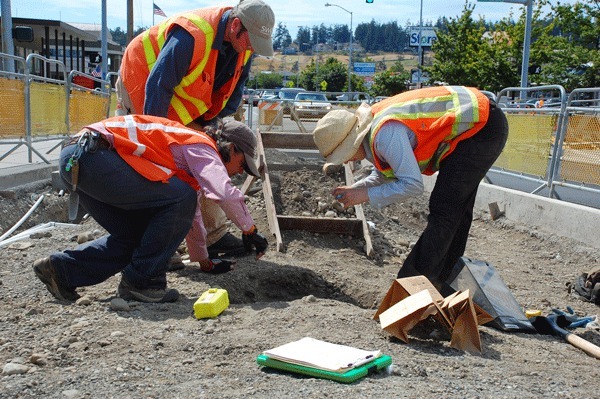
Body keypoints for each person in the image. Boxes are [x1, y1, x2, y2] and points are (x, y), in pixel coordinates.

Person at [33, 116, 268, 303]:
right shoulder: (201, 146)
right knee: (180, 199)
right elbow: (223, 192)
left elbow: (191, 216)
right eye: (242, 165)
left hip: (81, 159)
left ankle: (61, 270)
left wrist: (204, 261)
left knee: (141, 236)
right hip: (93, 155)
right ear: (232, 148)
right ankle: (142, 282)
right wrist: (250, 229)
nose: (239, 172)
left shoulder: (190, 162)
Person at [115, 0, 275, 259]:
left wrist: (215, 134)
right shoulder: (193, 34)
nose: (252, 49)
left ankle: (214, 236)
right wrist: (157, 141)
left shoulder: (244, 46)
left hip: (182, 102)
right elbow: (158, 84)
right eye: (251, 41)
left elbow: (232, 95)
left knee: (207, 157)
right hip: (142, 80)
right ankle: (148, 244)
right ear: (236, 26)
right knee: (154, 167)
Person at [312, 86, 509, 288]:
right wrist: (356, 190)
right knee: (455, 210)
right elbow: (385, 174)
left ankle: (412, 286)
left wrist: (365, 195)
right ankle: (443, 282)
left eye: (344, 156)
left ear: (352, 143)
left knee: (445, 209)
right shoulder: (375, 131)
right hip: (481, 123)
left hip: (482, 127)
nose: (345, 162)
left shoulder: (384, 135)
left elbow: (413, 185)